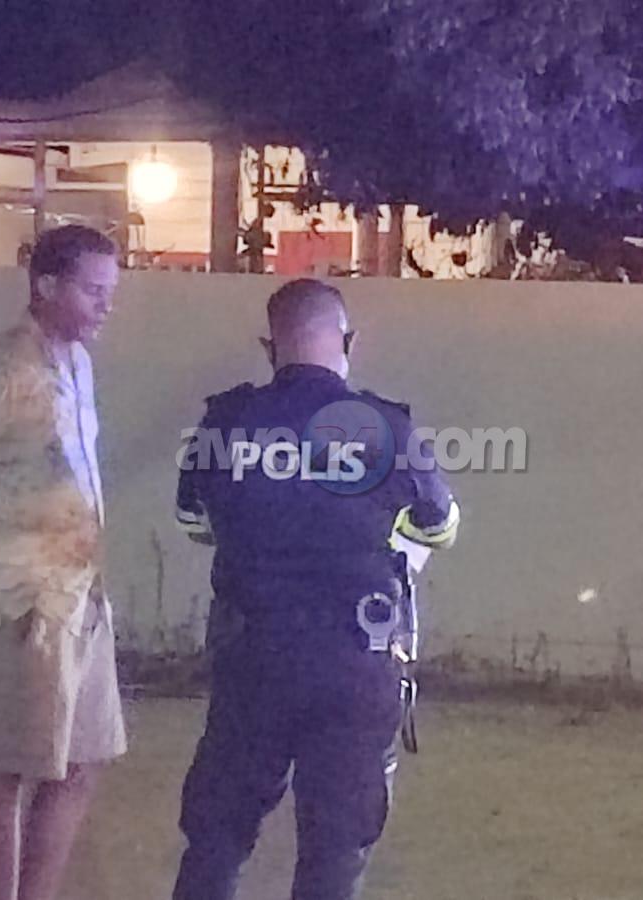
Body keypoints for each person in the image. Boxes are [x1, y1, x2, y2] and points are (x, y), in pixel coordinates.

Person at [169, 278, 461, 899]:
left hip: (253, 659)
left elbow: (194, 521)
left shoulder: (225, 424)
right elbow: (440, 527)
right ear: (349, 342)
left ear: (268, 346)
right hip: (355, 661)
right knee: (335, 851)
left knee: (217, 838)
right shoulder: (387, 427)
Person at [0, 224, 129, 899]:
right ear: (46, 285)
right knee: (10, 766)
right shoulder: (1, 369)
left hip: (78, 591)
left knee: (81, 763)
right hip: (15, 597)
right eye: (93, 290)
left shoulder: (77, 364)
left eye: (110, 291)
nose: (106, 305)